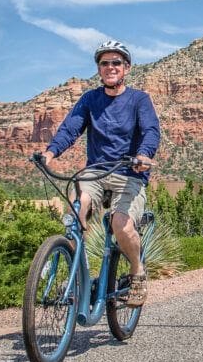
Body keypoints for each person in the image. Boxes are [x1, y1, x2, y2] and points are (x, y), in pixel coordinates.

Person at [40, 40, 160, 306]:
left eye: (116, 62)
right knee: (74, 213)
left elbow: (151, 131)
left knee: (120, 223)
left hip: (129, 174)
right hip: (95, 173)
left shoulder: (139, 99)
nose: (110, 67)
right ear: (98, 69)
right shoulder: (90, 99)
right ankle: (75, 273)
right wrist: (50, 153)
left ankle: (137, 273)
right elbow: (70, 129)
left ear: (126, 67)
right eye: (104, 63)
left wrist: (144, 155)